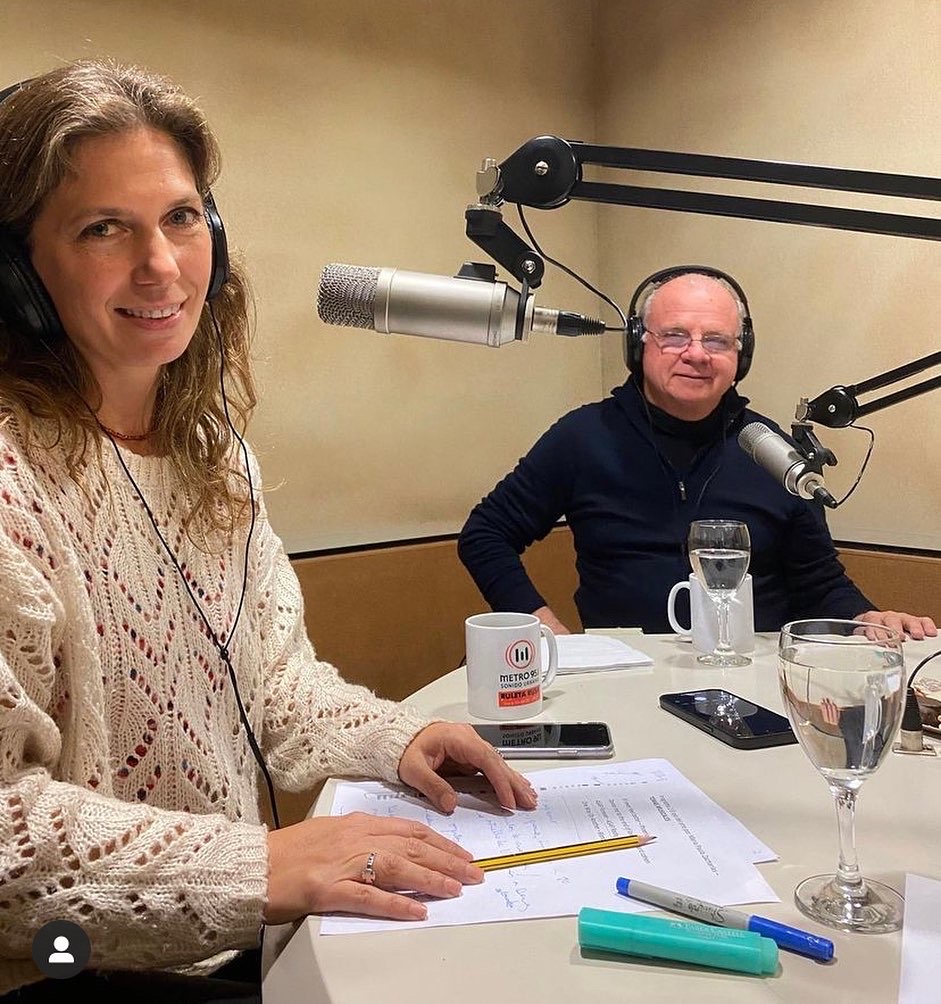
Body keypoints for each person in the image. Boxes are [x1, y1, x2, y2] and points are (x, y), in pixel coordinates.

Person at [0, 61, 536, 1001]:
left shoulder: (216, 460)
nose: (162, 266)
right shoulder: (12, 482)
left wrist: (397, 737)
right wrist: (258, 867)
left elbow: (274, 687)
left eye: (179, 217)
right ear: (19, 276)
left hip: (231, 943)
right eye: (101, 229)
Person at [458, 265, 936, 641]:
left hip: (752, 680)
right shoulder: (584, 437)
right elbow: (485, 534)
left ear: (740, 356)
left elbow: (819, 581)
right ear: (639, 345)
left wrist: (865, 617)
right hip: (625, 678)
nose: (697, 353)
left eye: (716, 340)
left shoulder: (772, 452)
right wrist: (543, 627)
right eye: (674, 336)